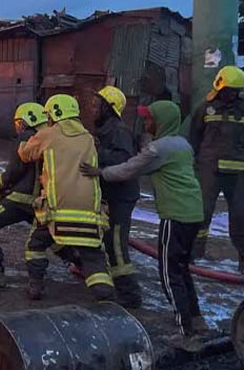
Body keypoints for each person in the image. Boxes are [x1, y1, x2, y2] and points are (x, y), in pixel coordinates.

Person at [82, 101, 207, 350]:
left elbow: (129, 169)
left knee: (169, 274)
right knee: (181, 269)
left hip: (175, 214)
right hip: (194, 212)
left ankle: (187, 334)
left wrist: (100, 172)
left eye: (150, 119)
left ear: (161, 121)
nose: (146, 123)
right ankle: (197, 319)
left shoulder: (159, 149)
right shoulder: (182, 144)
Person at [18, 94, 112, 301]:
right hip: (89, 213)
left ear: (53, 114)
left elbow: (25, 154)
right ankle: (103, 291)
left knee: (35, 245)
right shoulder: (88, 138)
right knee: (92, 255)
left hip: (57, 211)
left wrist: (24, 140)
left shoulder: (49, 134)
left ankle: (35, 287)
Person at [0, 102, 47, 287]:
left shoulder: (26, 138)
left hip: (22, 200)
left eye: (17, 123)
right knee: (51, 236)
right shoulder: (49, 138)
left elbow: (13, 173)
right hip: (43, 201)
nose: (17, 127)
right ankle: (79, 263)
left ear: (24, 122)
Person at [189, 65, 244, 269]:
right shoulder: (205, 108)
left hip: (238, 173)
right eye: (227, 90)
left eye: (234, 91)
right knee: (202, 212)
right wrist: (193, 162)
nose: (230, 95)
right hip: (209, 170)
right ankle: (194, 254)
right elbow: (195, 136)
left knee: (240, 217)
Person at [94, 86, 142, 308]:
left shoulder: (119, 131)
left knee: (116, 243)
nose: (94, 109)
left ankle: (130, 294)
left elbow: (124, 161)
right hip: (113, 195)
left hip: (121, 196)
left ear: (109, 108)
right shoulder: (106, 129)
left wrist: (96, 152)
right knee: (109, 241)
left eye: (98, 105)